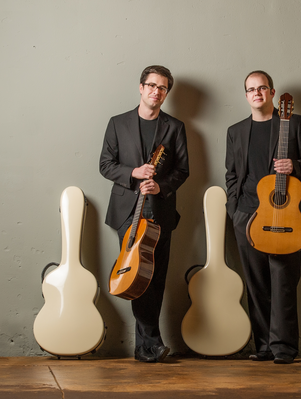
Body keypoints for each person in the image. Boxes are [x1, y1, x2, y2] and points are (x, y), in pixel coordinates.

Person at [225, 70, 301, 364]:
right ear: (246, 96)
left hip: (286, 215)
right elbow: (231, 174)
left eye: (262, 88)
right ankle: (265, 346)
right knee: (256, 285)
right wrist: (234, 210)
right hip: (246, 216)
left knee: (283, 282)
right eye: (251, 89)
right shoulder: (236, 131)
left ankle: (284, 349)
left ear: (272, 92)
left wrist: (293, 165)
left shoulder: (293, 124)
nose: (257, 93)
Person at [100, 65, 189, 363]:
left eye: (162, 88)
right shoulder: (117, 123)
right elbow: (105, 164)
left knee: (156, 278)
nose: (156, 91)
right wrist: (134, 173)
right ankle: (151, 343)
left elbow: (182, 171)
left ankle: (145, 347)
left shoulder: (175, 127)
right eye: (151, 85)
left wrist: (160, 185)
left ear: (166, 93)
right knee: (138, 275)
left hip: (160, 210)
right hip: (127, 211)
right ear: (141, 87)